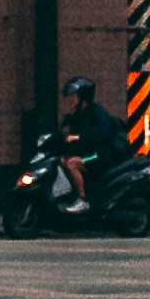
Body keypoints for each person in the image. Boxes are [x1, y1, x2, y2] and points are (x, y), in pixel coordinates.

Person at [53, 74, 134, 214]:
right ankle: (66, 194)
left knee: (72, 163)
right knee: (60, 160)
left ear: (83, 97)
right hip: (88, 155)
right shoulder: (78, 115)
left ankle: (82, 200)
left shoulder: (97, 113)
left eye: (73, 96)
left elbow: (99, 135)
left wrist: (78, 137)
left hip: (97, 157)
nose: (70, 100)